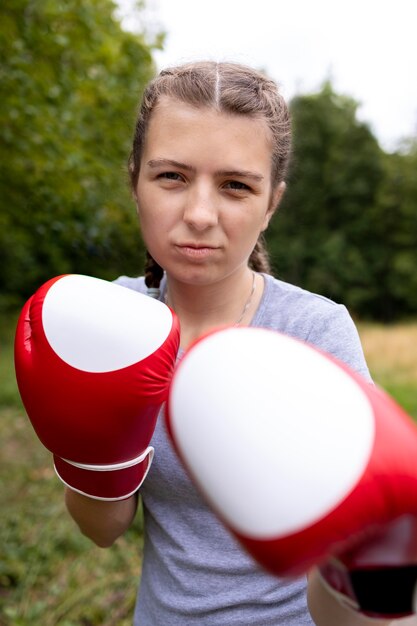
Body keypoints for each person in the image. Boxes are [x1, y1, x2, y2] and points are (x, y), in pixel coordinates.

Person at [63, 61, 407, 625]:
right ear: (135, 181)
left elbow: (352, 603)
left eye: (236, 185)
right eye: (171, 176)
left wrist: (371, 568)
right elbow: (103, 529)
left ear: (271, 202)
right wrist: (90, 439)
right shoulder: (111, 321)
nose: (199, 215)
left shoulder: (313, 333)